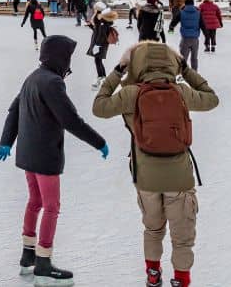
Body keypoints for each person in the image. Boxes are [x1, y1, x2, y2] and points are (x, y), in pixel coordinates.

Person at [92, 41, 219, 287]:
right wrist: (186, 69)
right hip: (179, 178)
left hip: (146, 178)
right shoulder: (181, 92)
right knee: (182, 238)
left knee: (153, 230)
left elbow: (99, 107)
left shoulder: (131, 93)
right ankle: (181, 280)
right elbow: (211, 99)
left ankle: (153, 274)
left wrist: (119, 69)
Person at [0, 35, 108, 285]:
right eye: (67, 57)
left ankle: (28, 255)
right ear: (60, 57)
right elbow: (70, 120)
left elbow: (14, 110)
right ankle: (43, 263)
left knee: (35, 201)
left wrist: (7, 141)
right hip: (45, 155)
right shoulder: (53, 83)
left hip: (27, 152)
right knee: (51, 206)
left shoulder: (33, 77)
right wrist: (99, 142)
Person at [88, 8, 118, 89]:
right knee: (98, 61)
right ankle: (102, 77)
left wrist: (97, 46)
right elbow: (96, 30)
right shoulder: (102, 23)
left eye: (97, 14)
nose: (96, 15)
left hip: (100, 45)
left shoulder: (104, 24)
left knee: (98, 61)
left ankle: (101, 77)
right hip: (99, 45)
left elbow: (102, 36)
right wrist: (90, 26)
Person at [169, 0, 202, 71]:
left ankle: (182, 73)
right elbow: (203, 24)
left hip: (185, 38)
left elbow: (174, 21)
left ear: (185, 3)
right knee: (194, 58)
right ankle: (194, 73)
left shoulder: (182, 12)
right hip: (195, 39)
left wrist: (171, 28)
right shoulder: (198, 13)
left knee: (183, 58)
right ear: (193, 4)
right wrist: (206, 36)